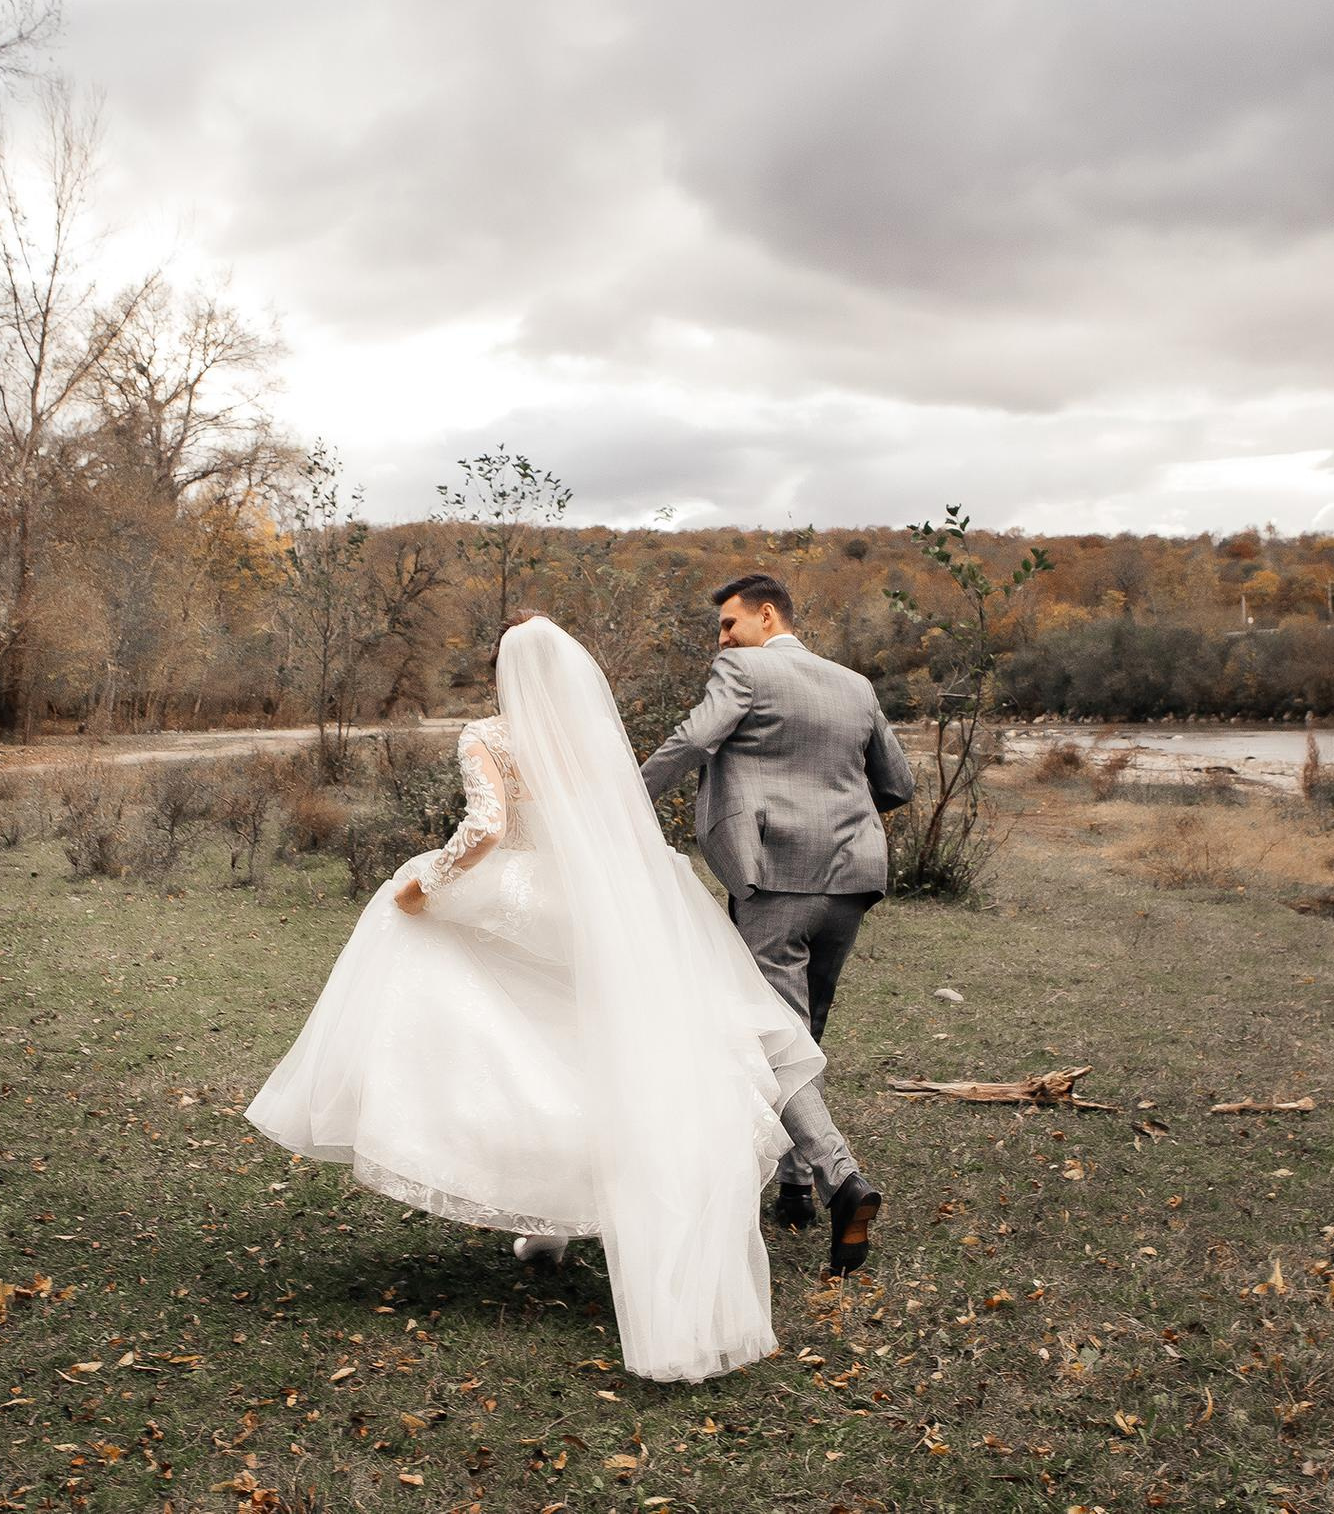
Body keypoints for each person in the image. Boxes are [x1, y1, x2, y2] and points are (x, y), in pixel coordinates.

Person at [246, 613, 864, 1383]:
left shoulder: (487, 735)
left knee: (437, 955)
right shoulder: (591, 737)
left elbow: (487, 826)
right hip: (598, 909)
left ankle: (493, 1164)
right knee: (590, 1048)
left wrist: (424, 885)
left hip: (523, 900)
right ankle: (553, 1230)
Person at [640, 571, 914, 1240]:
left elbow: (694, 740)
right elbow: (898, 781)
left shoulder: (745, 670)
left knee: (772, 1039)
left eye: (729, 623)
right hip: (851, 877)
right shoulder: (856, 684)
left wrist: (623, 793)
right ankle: (793, 1190)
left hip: (775, 876)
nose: (722, 638)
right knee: (803, 1027)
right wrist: (837, 820)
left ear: (767, 616)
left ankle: (840, 1177)